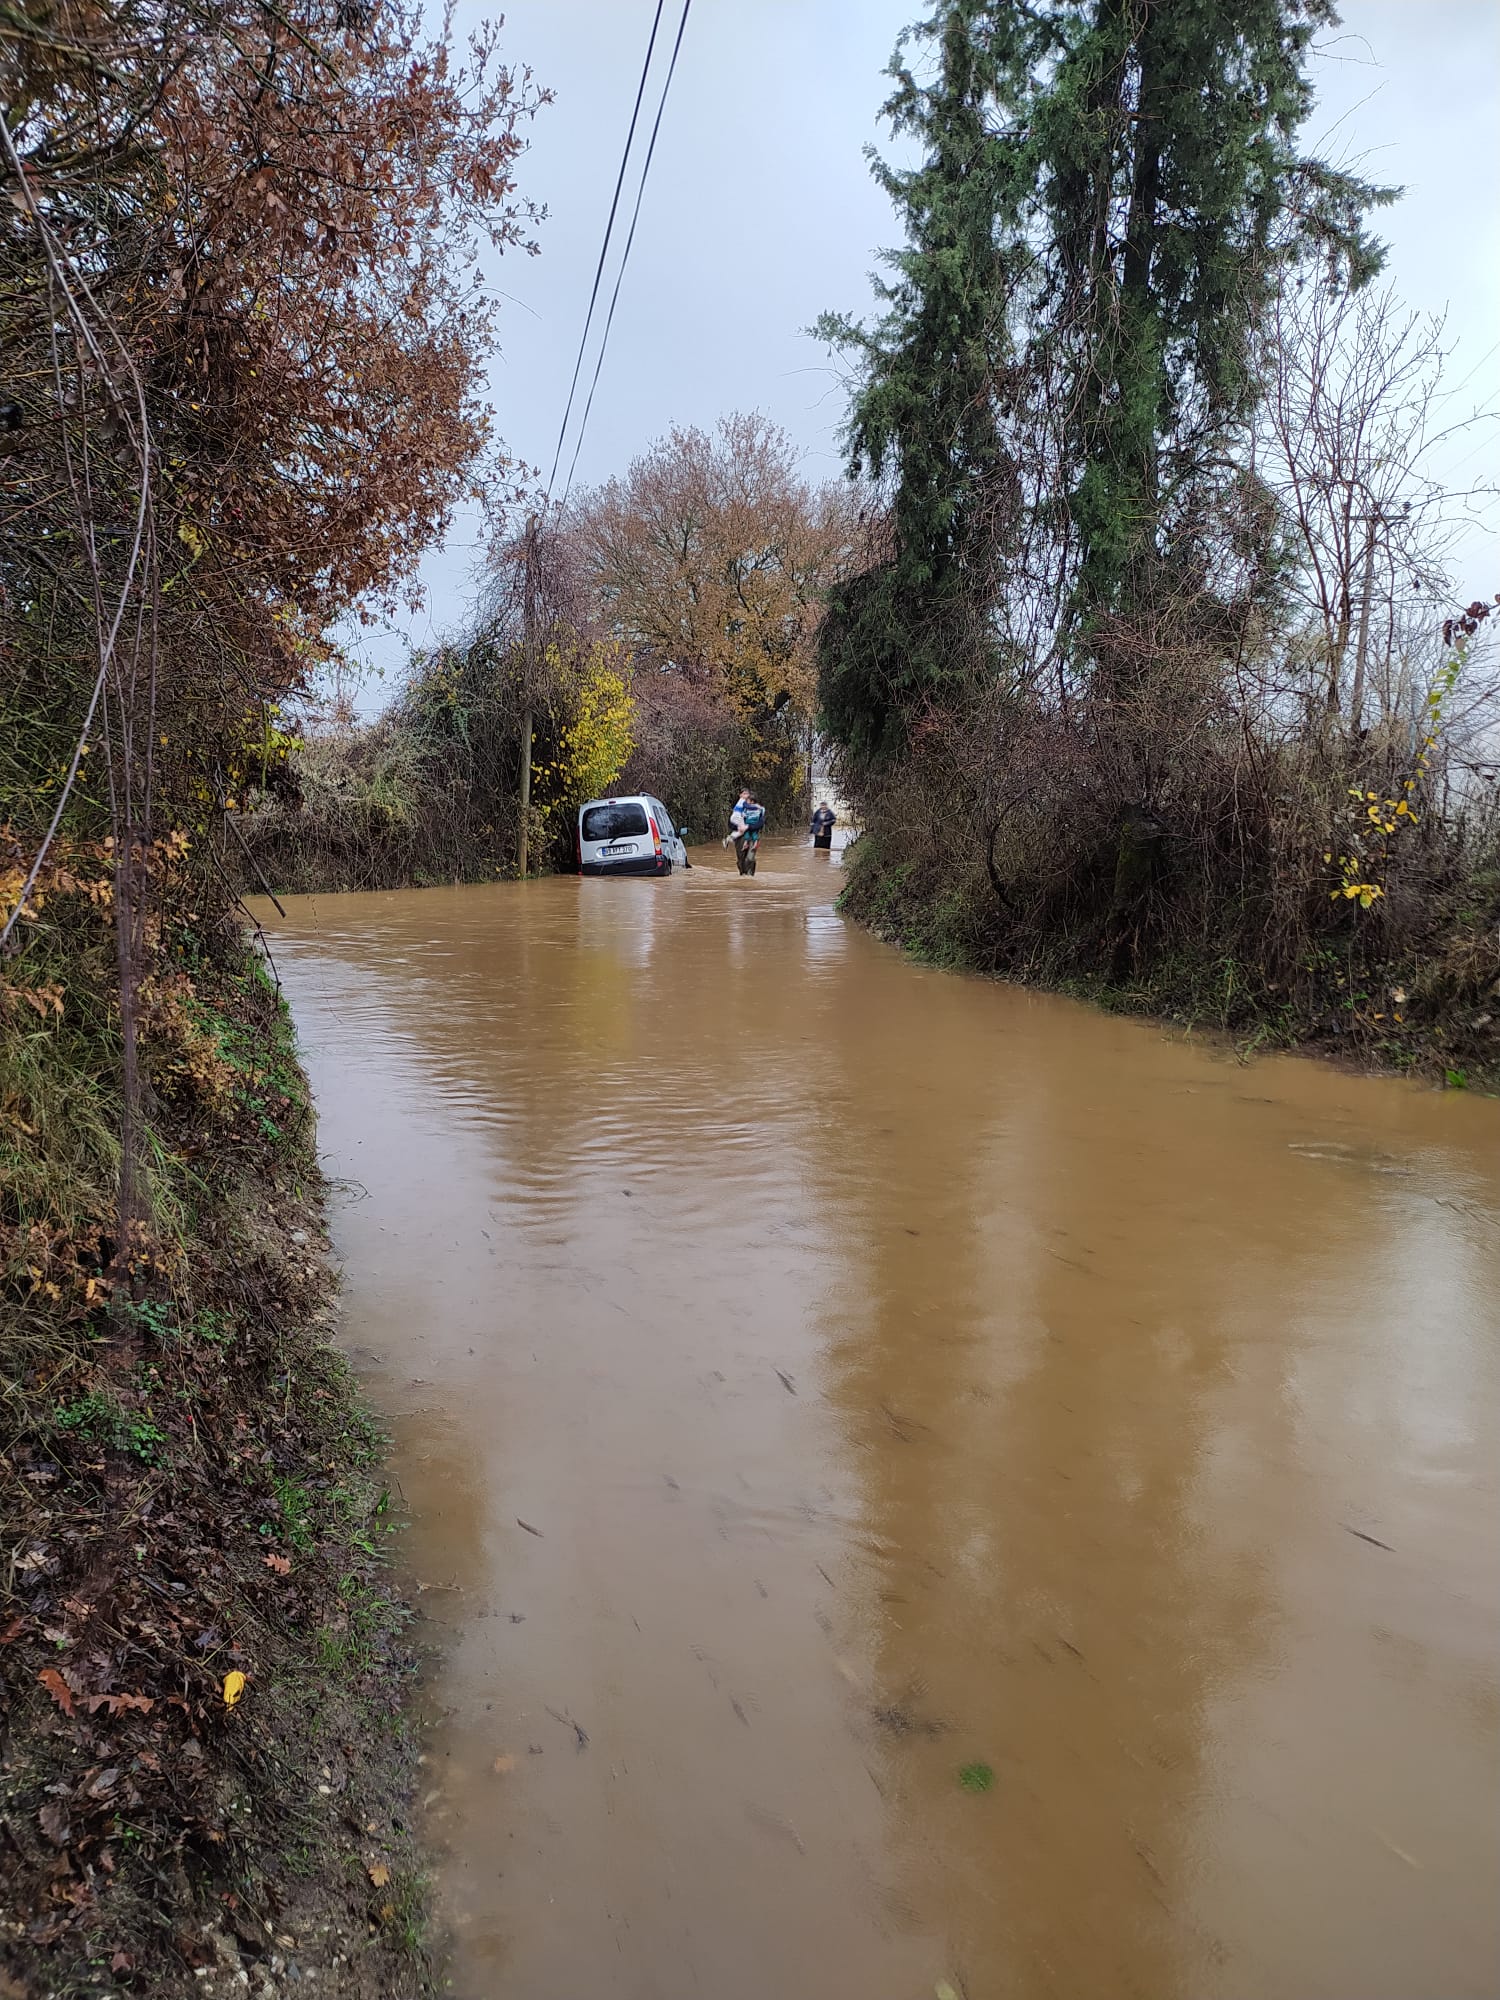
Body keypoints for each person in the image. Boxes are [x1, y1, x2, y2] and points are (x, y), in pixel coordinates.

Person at [723, 789, 764, 876]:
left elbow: (760, 824)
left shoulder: (758, 810)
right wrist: (739, 827)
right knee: (740, 860)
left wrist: (748, 827)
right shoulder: (740, 809)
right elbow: (730, 823)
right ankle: (743, 876)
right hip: (740, 837)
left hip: (753, 836)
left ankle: (750, 877)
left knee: (750, 858)